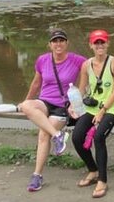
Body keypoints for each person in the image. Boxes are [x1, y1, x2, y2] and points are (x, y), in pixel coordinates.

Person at [18, 29, 85, 192]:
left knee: (43, 134)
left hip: (63, 106)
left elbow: (98, 64)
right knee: (27, 105)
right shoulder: (42, 60)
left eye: (61, 40)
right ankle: (58, 136)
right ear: (49, 44)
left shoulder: (77, 60)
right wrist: (26, 100)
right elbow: (36, 84)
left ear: (67, 43)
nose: (58, 44)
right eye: (55, 41)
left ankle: (37, 175)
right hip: (44, 101)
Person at [71, 29, 114, 199]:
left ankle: (103, 180)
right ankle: (92, 170)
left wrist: (103, 111)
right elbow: (82, 88)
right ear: (91, 45)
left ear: (108, 44)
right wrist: (74, 105)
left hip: (111, 108)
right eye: (96, 43)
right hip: (92, 108)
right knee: (77, 137)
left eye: (102, 42)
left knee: (98, 137)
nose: (99, 45)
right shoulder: (86, 65)